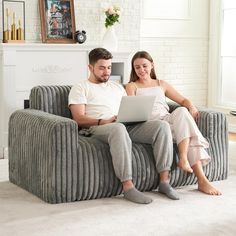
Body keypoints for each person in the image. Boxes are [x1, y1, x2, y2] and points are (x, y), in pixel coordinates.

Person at [68, 48, 179, 204]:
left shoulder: (117, 87)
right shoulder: (80, 87)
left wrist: (136, 116)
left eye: (109, 67)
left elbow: (130, 107)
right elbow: (78, 118)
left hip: (124, 124)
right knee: (118, 128)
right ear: (90, 68)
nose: (106, 72)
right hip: (98, 127)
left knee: (162, 126)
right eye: (101, 68)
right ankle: (128, 187)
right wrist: (102, 121)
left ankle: (164, 182)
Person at [125, 51, 222, 196]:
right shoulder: (132, 86)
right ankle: (202, 180)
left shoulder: (161, 84)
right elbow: (132, 110)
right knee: (187, 133)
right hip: (152, 125)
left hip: (167, 119)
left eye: (144, 66)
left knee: (183, 111)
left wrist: (192, 106)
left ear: (152, 65)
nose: (141, 70)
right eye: (137, 67)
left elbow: (183, 100)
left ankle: (183, 158)